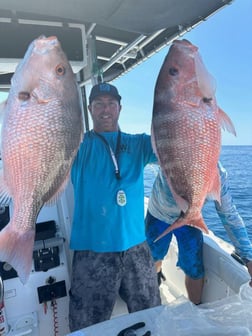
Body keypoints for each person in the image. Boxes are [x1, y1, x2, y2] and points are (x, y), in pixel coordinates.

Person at [68, 82, 161, 331]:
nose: (105, 109)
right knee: (87, 325)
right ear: (90, 109)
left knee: (151, 316)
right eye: (99, 104)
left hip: (136, 248)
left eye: (111, 104)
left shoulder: (139, 144)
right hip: (92, 252)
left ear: (120, 108)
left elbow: (175, 141)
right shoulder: (78, 146)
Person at [145, 162, 252, 305]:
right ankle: (155, 279)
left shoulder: (218, 175)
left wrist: (248, 257)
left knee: (194, 267)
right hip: (159, 214)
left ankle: (195, 308)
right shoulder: (170, 154)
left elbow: (229, 215)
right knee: (154, 256)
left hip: (191, 219)